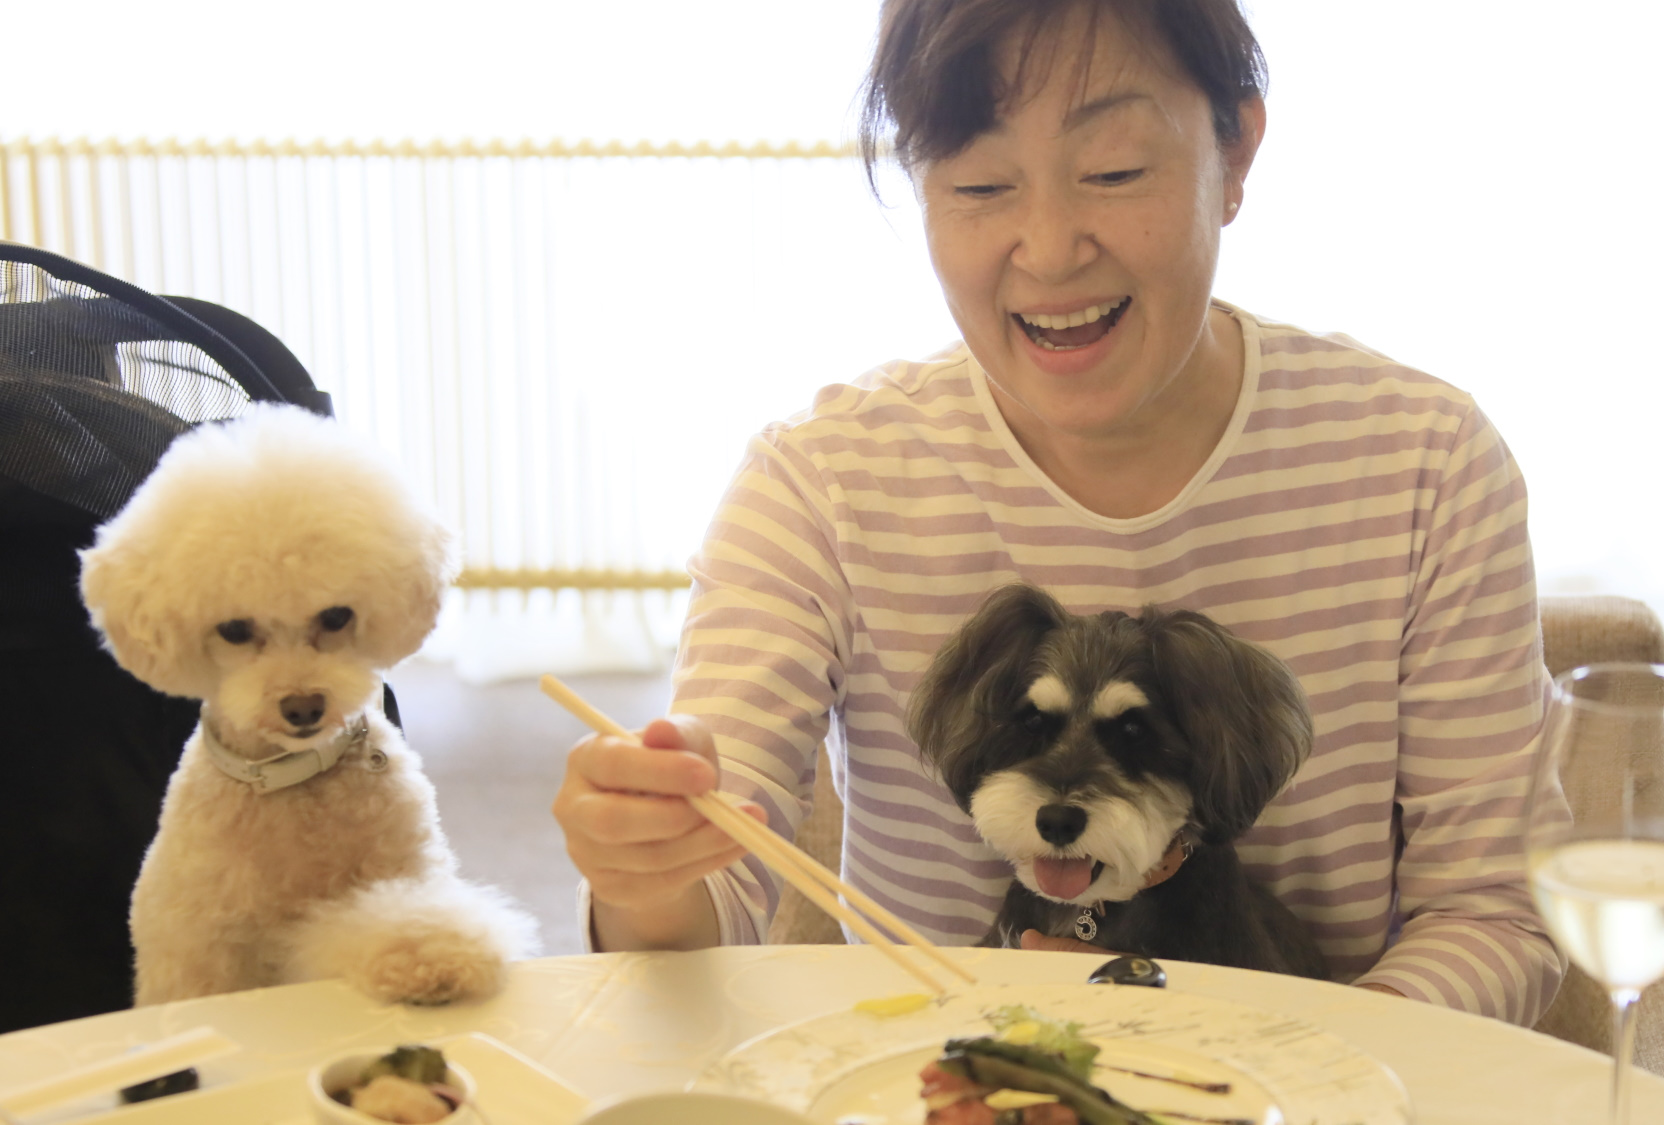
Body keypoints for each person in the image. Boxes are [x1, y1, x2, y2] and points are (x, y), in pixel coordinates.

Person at [553, 0, 1562, 1027]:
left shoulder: (1425, 464)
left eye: (1113, 171)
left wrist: (1301, 1064)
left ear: (1235, 152)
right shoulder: (817, 483)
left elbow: (1493, 916)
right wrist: (644, 870)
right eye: (980, 185)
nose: (1047, 251)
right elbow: (708, 902)